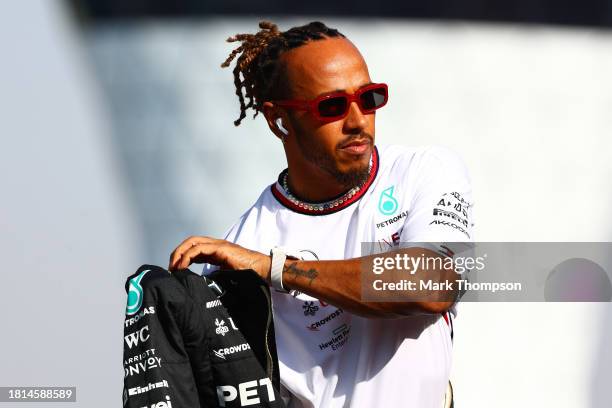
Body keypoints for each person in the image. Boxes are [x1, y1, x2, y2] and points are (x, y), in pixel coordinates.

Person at [169, 21, 473, 408]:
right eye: (330, 106)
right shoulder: (242, 247)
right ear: (278, 120)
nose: (357, 120)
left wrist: (279, 270)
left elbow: (432, 284)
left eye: (369, 98)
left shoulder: (423, 171)